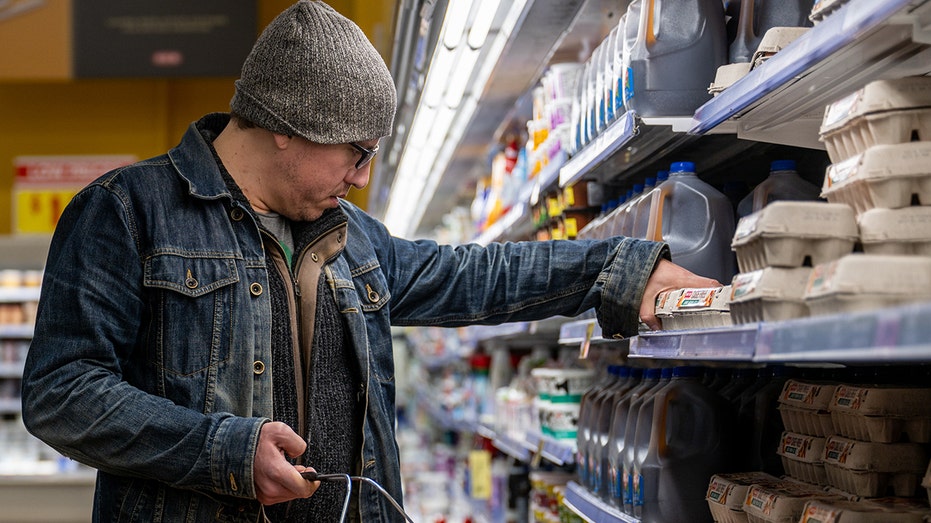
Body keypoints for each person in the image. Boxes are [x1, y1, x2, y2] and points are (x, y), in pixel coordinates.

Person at [21, 1, 721, 522]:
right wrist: (225, 449)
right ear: (287, 128)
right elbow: (61, 391)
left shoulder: (352, 237)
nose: (359, 174)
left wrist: (619, 269)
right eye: (355, 150)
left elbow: (476, 275)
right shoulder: (126, 211)